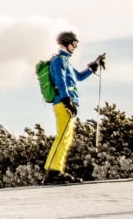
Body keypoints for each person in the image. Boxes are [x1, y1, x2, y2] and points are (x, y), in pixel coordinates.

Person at [43, 31, 107, 185]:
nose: (75, 48)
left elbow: (78, 77)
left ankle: (55, 170)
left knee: (66, 138)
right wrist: (66, 100)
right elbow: (60, 80)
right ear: (67, 43)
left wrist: (94, 65)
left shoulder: (66, 62)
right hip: (63, 103)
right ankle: (52, 173)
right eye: (74, 45)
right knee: (62, 137)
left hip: (67, 103)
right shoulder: (58, 61)